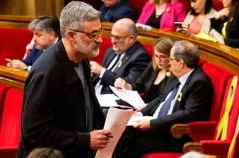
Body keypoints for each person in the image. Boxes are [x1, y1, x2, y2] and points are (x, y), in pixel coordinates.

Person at [18, 2, 112, 158]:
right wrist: (84, 140)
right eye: (93, 34)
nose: (100, 40)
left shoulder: (82, 59)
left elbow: (87, 106)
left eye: (100, 32)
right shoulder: (47, 72)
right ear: (71, 36)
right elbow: (34, 132)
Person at [112, 40, 214, 158]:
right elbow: (161, 98)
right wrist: (140, 113)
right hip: (161, 126)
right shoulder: (178, 76)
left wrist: (152, 123)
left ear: (180, 63)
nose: (169, 63)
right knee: (123, 128)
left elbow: (188, 114)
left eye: (171, 59)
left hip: (174, 135)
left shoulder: (199, 82)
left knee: (130, 138)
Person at [91, 18, 150, 98]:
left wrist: (102, 71)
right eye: (112, 36)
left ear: (131, 39)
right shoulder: (111, 50)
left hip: (111, 100)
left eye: (117, 38)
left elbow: (128, 84)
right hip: (94, 93)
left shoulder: (140, 56)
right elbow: (99, 77)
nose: (113, 41)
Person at [115, 37, 175, 103]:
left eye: (162, 56)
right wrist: (126, 85)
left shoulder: (174, 75)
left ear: (171, 57)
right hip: (141, 107)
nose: (158, 60)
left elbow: (164, 100)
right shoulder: (152, 66)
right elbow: (138, 85)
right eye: (156, 56)